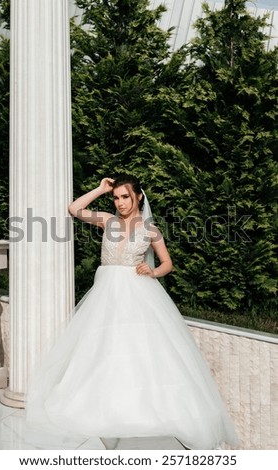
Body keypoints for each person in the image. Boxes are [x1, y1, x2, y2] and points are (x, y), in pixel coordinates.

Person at [25, 174, 238, 450]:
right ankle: (104, 408)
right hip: (105, 295)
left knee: (136, 353)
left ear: (138, 196)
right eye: (116, 197)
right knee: (101, 351)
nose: (120, 202)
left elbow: (167, 263)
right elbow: (74, 209)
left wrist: (153, 271)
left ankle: (141, 412)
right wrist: (100, 188)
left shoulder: (151, 230)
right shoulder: (107, 220)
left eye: (125, 196)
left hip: (137, 294)